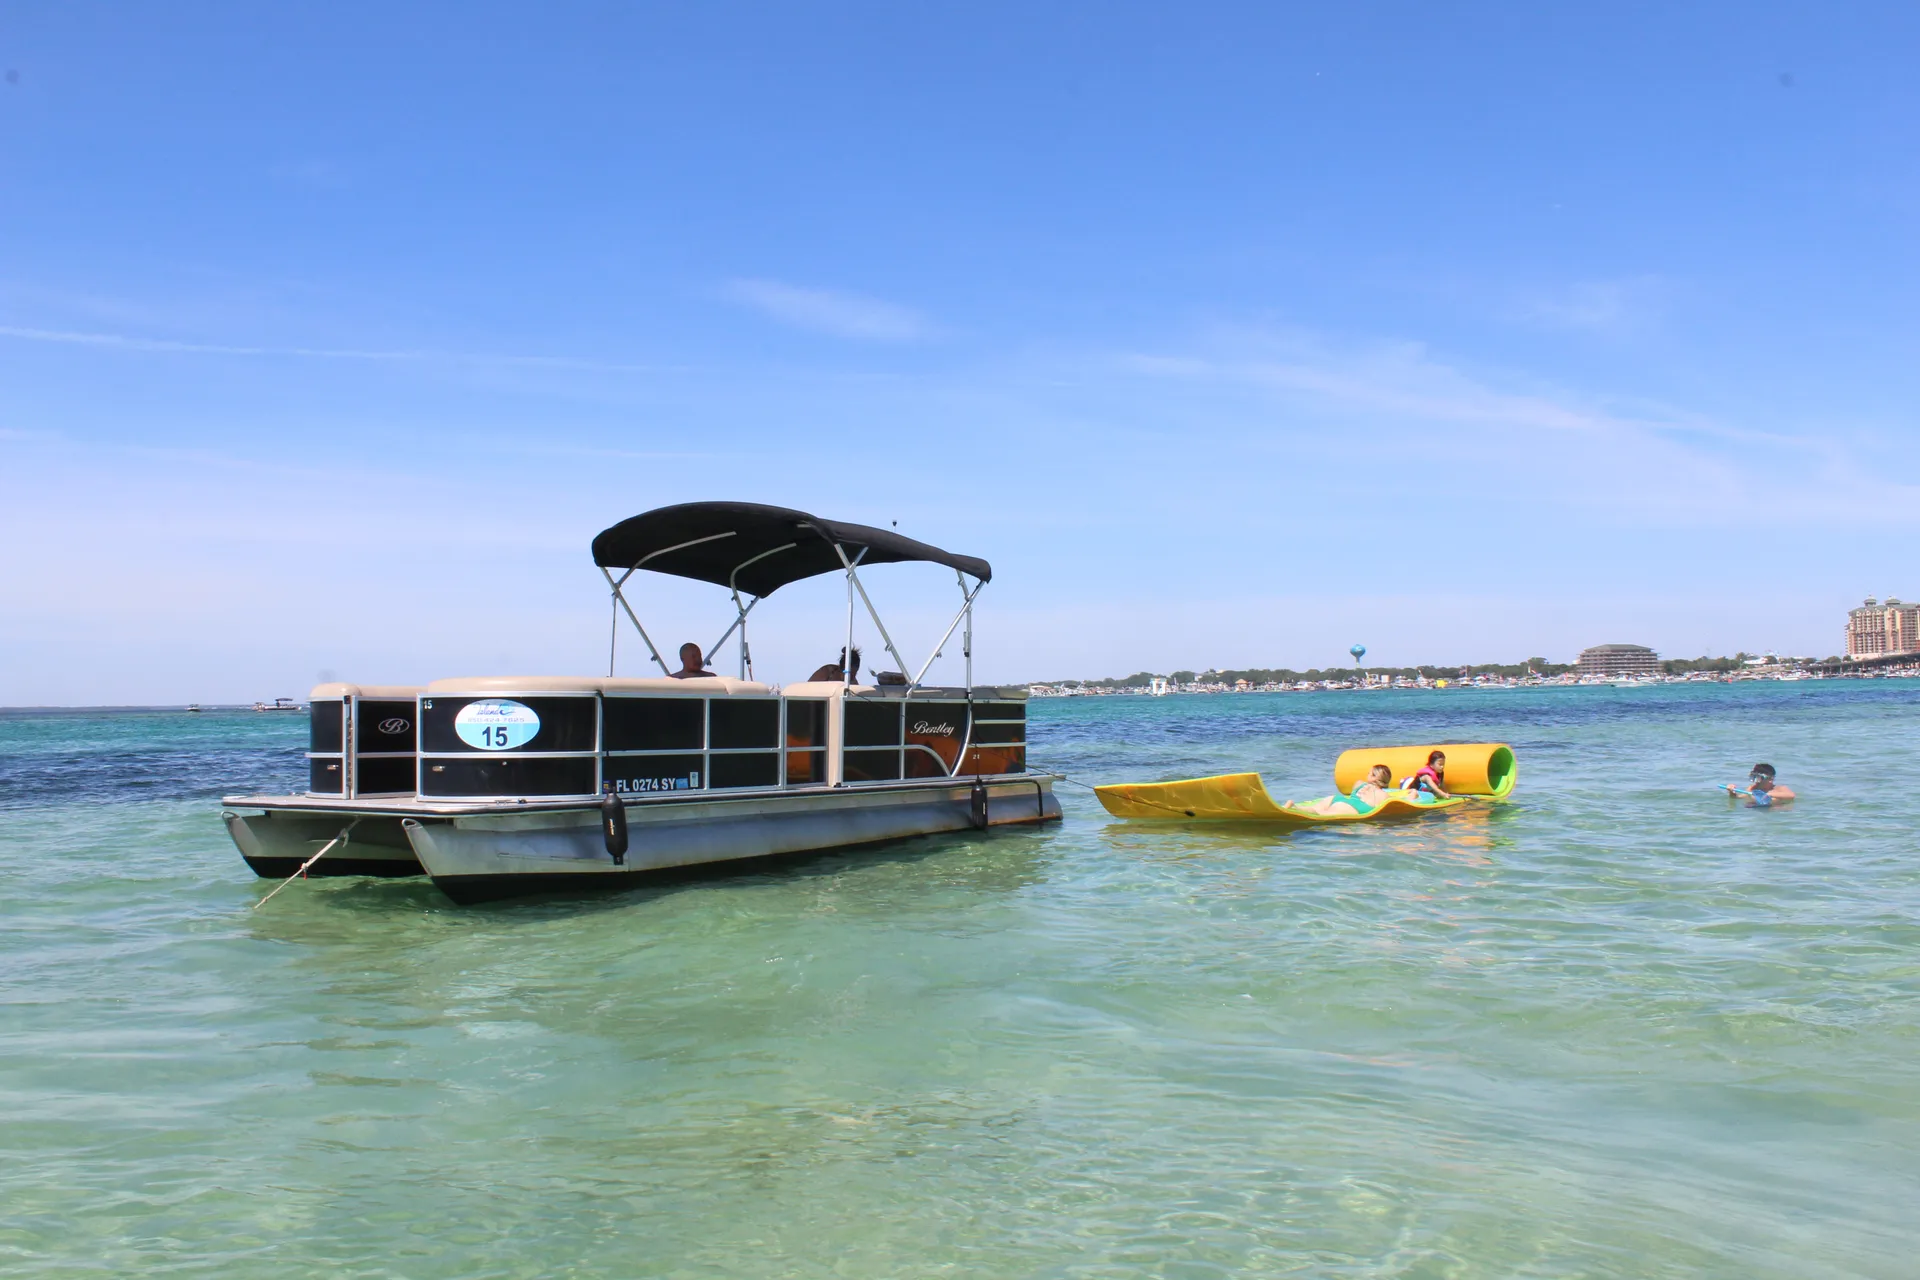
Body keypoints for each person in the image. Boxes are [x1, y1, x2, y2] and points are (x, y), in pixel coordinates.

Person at [1295, 763, 1394, 817]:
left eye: (1369, 773)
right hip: (1353, 808)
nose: (1367, 775)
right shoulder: (1383, 795)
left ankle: (1294, 807)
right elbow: (1395, 805)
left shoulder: (1359, 783)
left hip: (1337, 799)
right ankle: (1294, 809)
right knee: (1321, 815)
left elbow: (1353, 795)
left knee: (1314, 809)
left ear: (1374, 777)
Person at [1728, 762, 1795, 807]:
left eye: (1759, 778)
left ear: (1771, 779)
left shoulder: (1779, 788)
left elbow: (1791, 796)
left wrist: (1768, 794)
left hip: (1773, 809)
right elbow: (1737, 798)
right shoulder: (1753, 788)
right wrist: (1731, 792)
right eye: (1754, 778)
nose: (1757, 781)